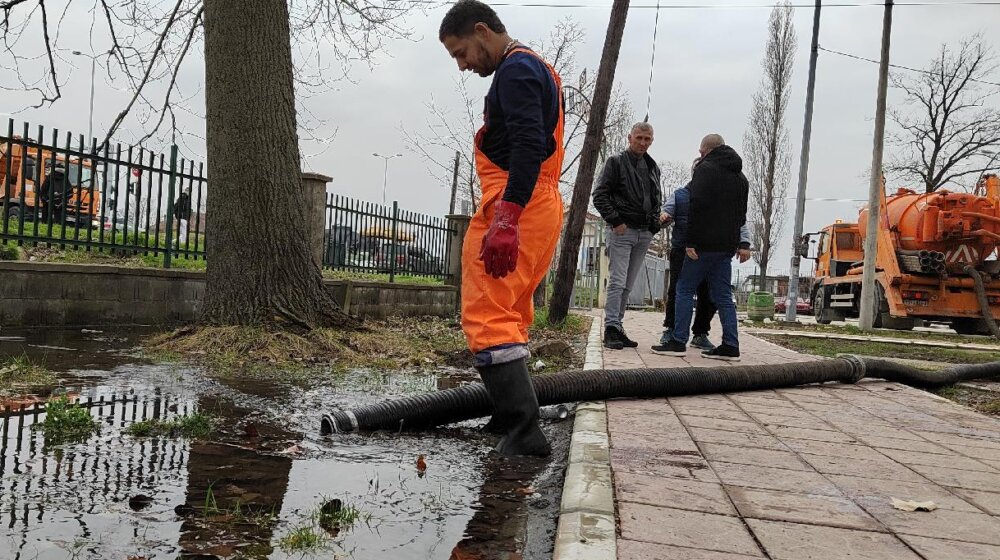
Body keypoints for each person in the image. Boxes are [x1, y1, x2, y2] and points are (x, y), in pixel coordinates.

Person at [439, 0, 564, 456]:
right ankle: (508, 417)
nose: (463, 65)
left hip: (519, 202)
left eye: (461, 52)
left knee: (487, 315)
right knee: (509, 313)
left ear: (481, 31)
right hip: (538, 202)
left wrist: (506, 217)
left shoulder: (515, 71)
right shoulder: (538, 68)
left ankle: (523, 433)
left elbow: (531, 142)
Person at [656, 134, 749, 361]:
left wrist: (691, 242)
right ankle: (730, 345)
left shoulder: (705, 170)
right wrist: (738, 243)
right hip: (726, 247)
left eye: (701, 151)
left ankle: (678, 341)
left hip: (703, 245)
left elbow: (698, 207)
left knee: (684, 289)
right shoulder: (740, 177)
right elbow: (741, 215)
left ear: (707, 150)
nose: (700, 154)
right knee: (723, 296)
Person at [592, 122, 662, 350]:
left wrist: (654, 225)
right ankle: (611, 329)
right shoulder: (615, 162)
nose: (642, 143)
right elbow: (599, 194)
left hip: (644, 233)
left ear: (652, 141)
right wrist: (616, 221)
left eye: (647, 139)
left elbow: (656, 198)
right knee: (618, 281)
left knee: (628, 285)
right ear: (629, 137)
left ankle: (617, 326)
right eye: (639, 138)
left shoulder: (653, 167)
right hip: (623, 231)